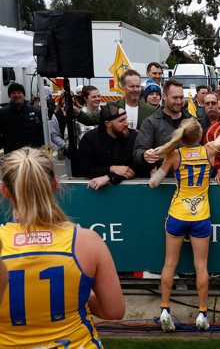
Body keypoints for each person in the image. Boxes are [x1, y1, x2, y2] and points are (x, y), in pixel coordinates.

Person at [0, 147, 125, 347]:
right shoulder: (87, 241)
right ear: (55, 185)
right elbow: (114, 310)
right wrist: (77, 293)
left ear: (5, 190)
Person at [149, 86, 220, 332]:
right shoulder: (209, 151)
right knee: (201, 267)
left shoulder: (174, 155)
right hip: (201, 216)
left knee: (169, 265)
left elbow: (154, 184)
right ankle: (202, 314)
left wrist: (155, 173)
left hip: (177, 214)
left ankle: (165, 309)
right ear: (200, 135)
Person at [79, 105, 148, 190]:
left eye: (126, 119)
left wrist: (110, 177)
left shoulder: (134, 137)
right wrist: (112, 168)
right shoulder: (90, 139)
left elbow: (136, 168)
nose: (126, 123)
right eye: (121, 121)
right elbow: (85, 169)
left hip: (132, 191)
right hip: (99, 194)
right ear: (108, 124)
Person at [133, 79, 193, 172]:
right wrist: (144, 155)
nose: (179, 101)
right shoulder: (151, 122)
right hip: (163, 180)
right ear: (164, 96)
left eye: (181, 97)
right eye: (175, 97)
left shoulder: (191, 121)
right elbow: (138, 152)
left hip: (189, 178)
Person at [76, 70, 156, 130]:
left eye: (138, 86)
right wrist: (77, 113)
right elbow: (92, 119)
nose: (136, 90)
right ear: (123, 86)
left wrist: (140, 135)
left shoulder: (151, 110)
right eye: (132, 86)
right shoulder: (113, 106)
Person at [0, 82, 45, 154]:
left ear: (23, 94)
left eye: (19, 92)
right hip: (13, 157)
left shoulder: (36, 111)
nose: (16, 95)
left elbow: (43, 132)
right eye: (13, 93)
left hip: (34, 155)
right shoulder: (2, 113)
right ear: (9, 95)